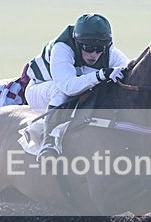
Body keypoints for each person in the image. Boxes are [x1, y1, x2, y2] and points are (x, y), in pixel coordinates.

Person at [24, 13, 130, 160]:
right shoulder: (62, 48)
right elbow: (68, 87)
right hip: (39, 89)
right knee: (60, 92)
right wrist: (101, 74)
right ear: (78, 42)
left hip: (72, 92)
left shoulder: (110, 52)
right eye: (88, 48)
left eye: (100, 49)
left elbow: (129, 72)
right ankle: (48, 143)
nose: (94, 54)